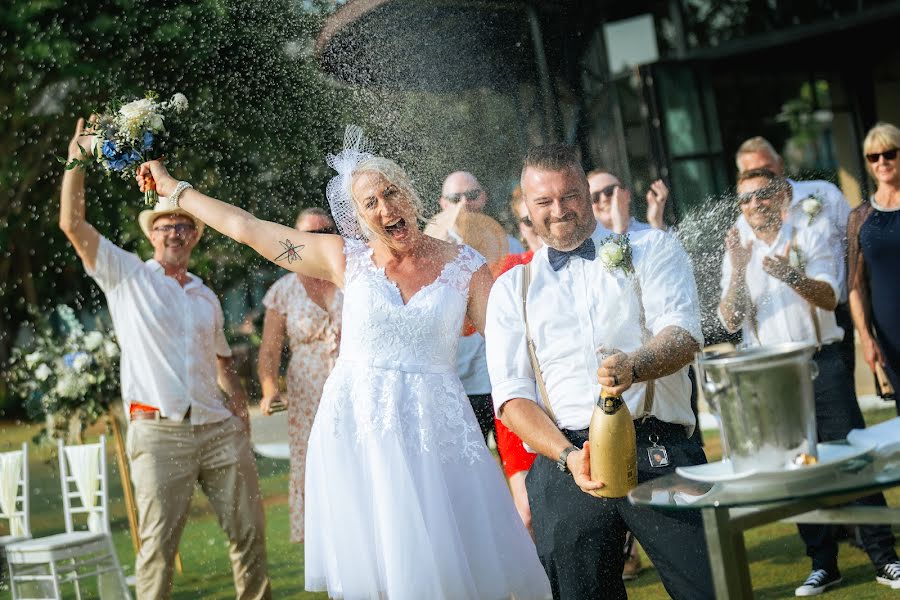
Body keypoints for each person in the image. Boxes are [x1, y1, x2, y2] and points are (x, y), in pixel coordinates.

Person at [135, 126, 551, 599]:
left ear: (411, 195)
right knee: (380, 565)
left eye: (391, 193)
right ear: (357, 217)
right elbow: (249, 229)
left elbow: (512, 344)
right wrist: (175, 190)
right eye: (369, 203)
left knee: (447, 564)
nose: (385, 208)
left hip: (436, 428)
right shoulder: (343, 259)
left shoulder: (466, 266)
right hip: (358, 432)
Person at [485, 143, 714, 600]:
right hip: (566, 462)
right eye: (543, 202)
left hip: (659, 448)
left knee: (708, 589)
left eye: (568, 196)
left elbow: (683, 336)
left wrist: (635, 366)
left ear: (587, 193)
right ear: (527, 209)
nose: (558, 211)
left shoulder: (651, 248)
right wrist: (569, 457)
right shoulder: (512, 289)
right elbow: (511, 400)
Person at [59, 118, 271, 600]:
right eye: (165, 226)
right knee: (156, 548)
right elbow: (71, 224)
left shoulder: (206, 297)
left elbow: (222, 366)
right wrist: (77, 155)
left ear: (195, 236)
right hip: (157, 433)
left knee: (250, 537)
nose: (174, 232)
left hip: (218, 429)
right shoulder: (127, 277)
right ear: (151, 236)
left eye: (182, 226)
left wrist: (240, 416)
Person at [719, 167, 900, 596]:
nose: (754, 204)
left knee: (853, 459)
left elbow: (830, 295)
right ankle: (823, 564)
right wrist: (742, 270)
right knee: (794, 473)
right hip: (771, 377)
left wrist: (789, 274)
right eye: (745, 199)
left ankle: (885, 557)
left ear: (783, 194)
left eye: (763, 194)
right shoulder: (737, 246)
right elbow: (729, 319)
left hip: (822, 363)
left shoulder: (811, 228)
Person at [257, 207, 342, 543]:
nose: (317, 240)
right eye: (309, 234)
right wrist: (268, 389)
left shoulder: (352, 275)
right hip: (308, 392)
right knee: (315, 464)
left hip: (353, 384)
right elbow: (269, 349)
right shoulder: (284, 289)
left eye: (325, 232)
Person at [734, 136, 854, 373]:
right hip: (789, 322)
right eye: (752, 171)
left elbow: (854, 246)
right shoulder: (744, 223)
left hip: (837, 310)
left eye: (767, 167)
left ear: (779, 163)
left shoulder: (823, 194)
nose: (761, 176)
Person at [848, 122, 900, 411]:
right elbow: (855, 284)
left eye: (889, 153)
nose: (882, 162)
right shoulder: (860, 216)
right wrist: (866, 338)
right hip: (891, 333)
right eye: (873, 156)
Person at [587, 170, 669, 233]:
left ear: (627, 194)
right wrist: (620, 228)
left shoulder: (651, 231)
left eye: (610, 191)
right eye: (595, 197)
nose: (604, 198)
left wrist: (657, 223)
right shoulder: (588, 246)